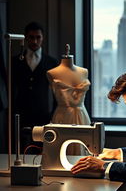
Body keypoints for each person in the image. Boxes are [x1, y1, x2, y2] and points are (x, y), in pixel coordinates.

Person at [12, 21, 59, 153]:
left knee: (42, 149)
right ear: (26, 38)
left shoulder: (52, 62)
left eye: (38, 37)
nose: (35, 41)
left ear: (42, 38)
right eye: (31, 37)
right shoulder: (15, 61)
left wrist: (54, 113)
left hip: (43, 113)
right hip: (21, 113)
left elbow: (57, 91)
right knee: (20, 150)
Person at [47, 44, 91, 155]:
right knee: (61, 148)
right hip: (62, 115)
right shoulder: (52, 73)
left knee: (82, 148)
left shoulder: (84, 72)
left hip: (81, 115)